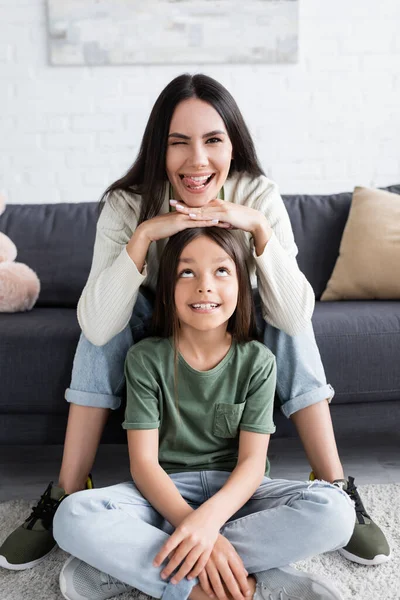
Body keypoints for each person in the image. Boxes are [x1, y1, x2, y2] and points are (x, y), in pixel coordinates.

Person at [0, 73, 389, 571]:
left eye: (213, 141)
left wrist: (259, 229)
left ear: (233, 145)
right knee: (107, 316)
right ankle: (68, 489)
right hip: (153, 323)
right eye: (178, 143)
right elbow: (97, 326)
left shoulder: (256, 192)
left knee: (290, 316)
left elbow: (293, 316)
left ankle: (333, 483)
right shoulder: (126, 202)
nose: (197, 160)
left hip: (229, 322)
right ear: (157, 148)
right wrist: (143, 238)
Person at [53, 227, 356, 600]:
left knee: (337, 511)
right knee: (72, 516)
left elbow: (251, 465)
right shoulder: (145, 358)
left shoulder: (259, 361)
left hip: (239, 494)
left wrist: (207, 525)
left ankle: (141, 567)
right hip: (162, 493)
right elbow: (144, 465)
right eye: (187, 272)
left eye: (221, 271)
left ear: (243, 286)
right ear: (167, 290)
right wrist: (192, 526)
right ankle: (244, 585)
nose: (204, 286)